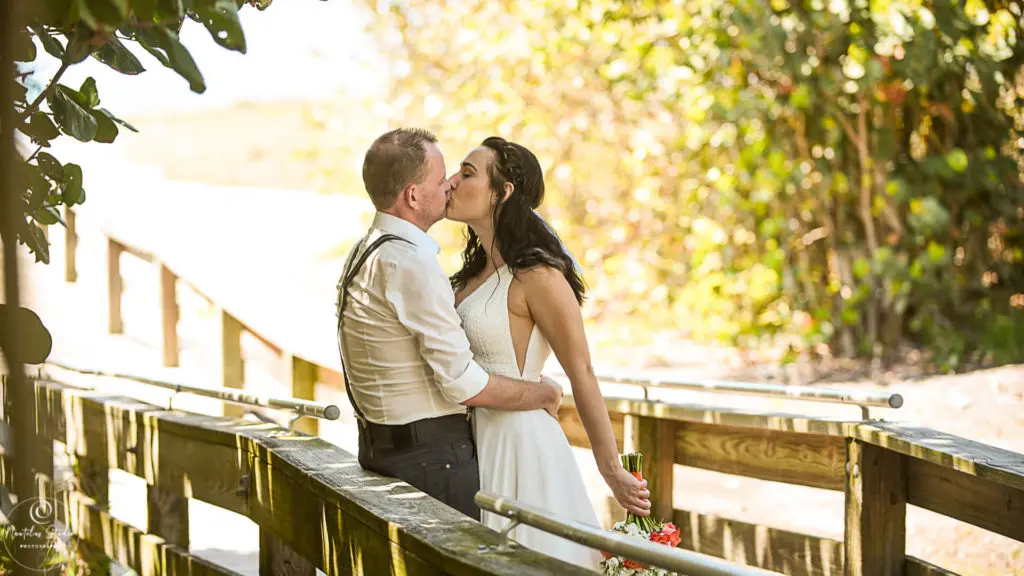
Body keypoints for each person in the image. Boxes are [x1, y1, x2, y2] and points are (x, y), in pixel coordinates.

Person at [335, 128, 564, 520]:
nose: (450, 186)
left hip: (384, 448)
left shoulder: (367, 249)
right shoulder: (410, 262)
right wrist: (541, 395)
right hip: (429, 462)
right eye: (440, 180)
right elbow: (462, 383)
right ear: (412, 195)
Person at [446, 136, 651, 568]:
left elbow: (583, 373)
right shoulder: (470, 275)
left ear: (502, 193)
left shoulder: (537, 275)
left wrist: (611, 469)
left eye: (466, 174)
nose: (450, 182)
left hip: (521, 447)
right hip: (467, 444)